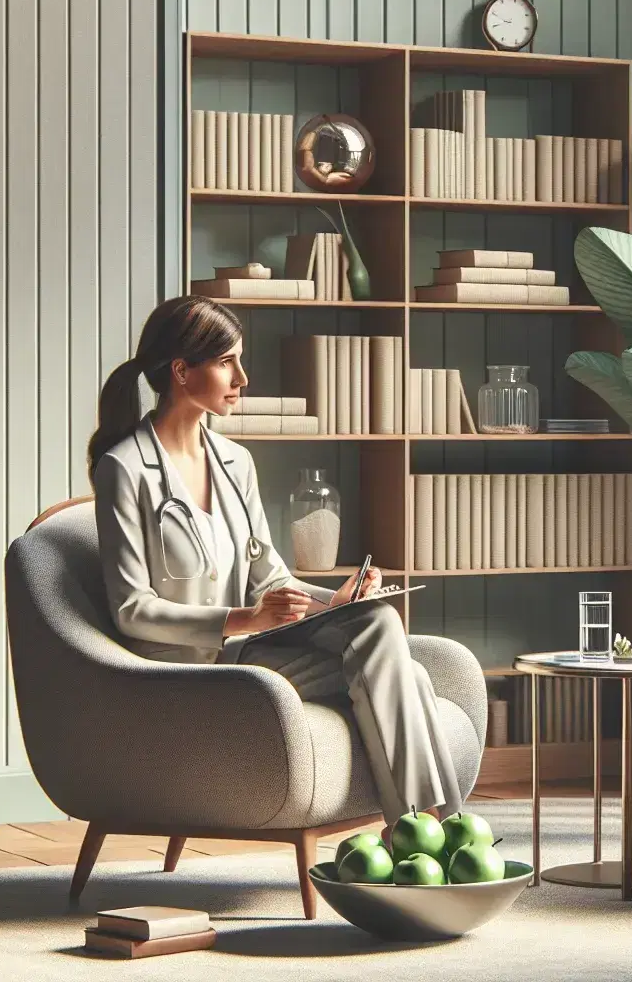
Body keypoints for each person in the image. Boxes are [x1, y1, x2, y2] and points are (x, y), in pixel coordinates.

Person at [86, 296, 465, 822]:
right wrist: (246, 619)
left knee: (377, 620)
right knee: (409, 676)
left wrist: (333, 601)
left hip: (253, 652)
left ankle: (424, 833)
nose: (243, 376)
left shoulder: (235, 462)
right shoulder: (123, 469)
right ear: (181, 371)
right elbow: (132, 609)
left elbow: (272, 577)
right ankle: (436, 833)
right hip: (189, 671)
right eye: (226, 362)